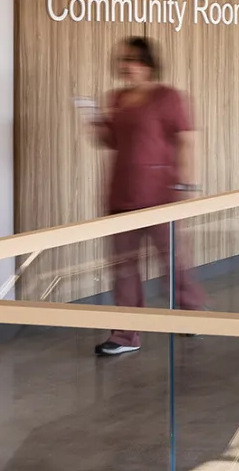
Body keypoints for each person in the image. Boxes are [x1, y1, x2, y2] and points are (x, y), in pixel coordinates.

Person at [84, 36, 205, 356]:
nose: (127, 66)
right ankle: (125, 335)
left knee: (173, 261)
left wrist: (187, 185)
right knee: (123, 266)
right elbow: (111, 141)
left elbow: (187, 141)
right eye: (123, 60)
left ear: (149, 64)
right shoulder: (117, 98)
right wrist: (95, 123)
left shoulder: (168, 98)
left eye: (134, 60)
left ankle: (189, 312)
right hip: (121, 194)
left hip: (160, 194)